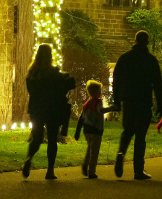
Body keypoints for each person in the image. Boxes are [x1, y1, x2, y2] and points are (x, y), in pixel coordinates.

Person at [111, 30, 162, 180]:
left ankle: (121, 153)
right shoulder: (150, 60)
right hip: (143, 100)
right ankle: (138, 170)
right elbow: (157, 84)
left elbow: (116, 80)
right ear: (146, 42)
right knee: (140, 136)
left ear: (135, 41)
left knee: (127, 131)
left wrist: (116, 100)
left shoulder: (125, 58)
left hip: (128, 100)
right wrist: (160, 104)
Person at [23, 44, 75, 180]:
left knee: (37, 137)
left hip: (36, 109)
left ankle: (29, 158)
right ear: (50, 56)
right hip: (52, 109)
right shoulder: (54, 73)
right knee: (52, 139)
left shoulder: (32, 74)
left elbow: (31, 92)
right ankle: (50, 170)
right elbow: (62, 88)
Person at [74, 79, 111, 179]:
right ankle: (91, 172)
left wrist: (77, 131)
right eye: (100, 90)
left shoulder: (87, 103)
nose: (100, 92)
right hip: (96, 130)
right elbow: (101, 111)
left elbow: (81, 118)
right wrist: (112, 108)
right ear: (96, 92)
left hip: (87, 130)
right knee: (94, 152)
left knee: (89, 148)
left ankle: (86, 163)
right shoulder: (98, 102)